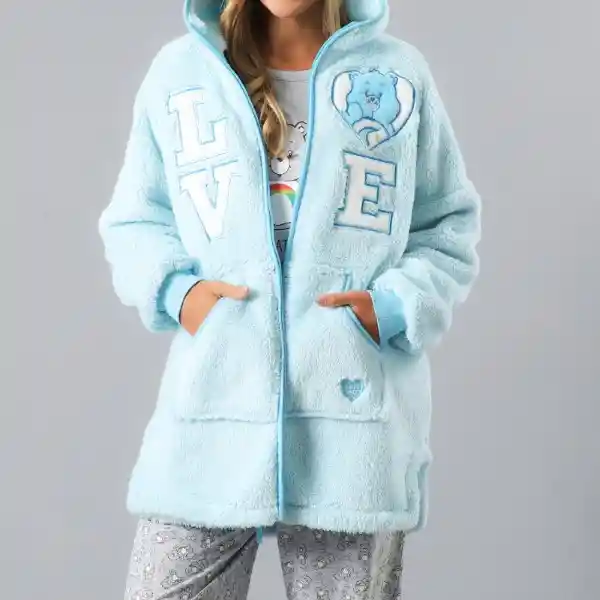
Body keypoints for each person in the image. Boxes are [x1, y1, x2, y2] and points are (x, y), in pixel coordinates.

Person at [98, 0, 482, 598]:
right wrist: (182, 293)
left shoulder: (397, 76)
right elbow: (135, 220)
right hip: (215, 408)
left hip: (351, 425)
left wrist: (390, 308)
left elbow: (446, 224)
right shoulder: (182, 75)